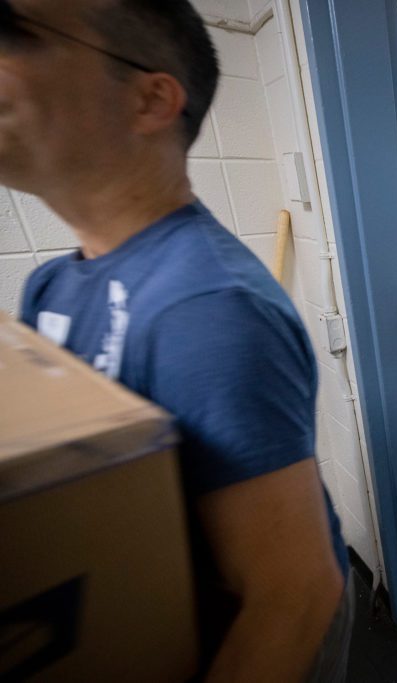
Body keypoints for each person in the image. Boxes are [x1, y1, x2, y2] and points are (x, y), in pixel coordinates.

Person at [1, 1, 351, 679]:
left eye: (18, 36)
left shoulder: (207, 310)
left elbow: (296, 595)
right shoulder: (49, 286)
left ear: (150, 99)